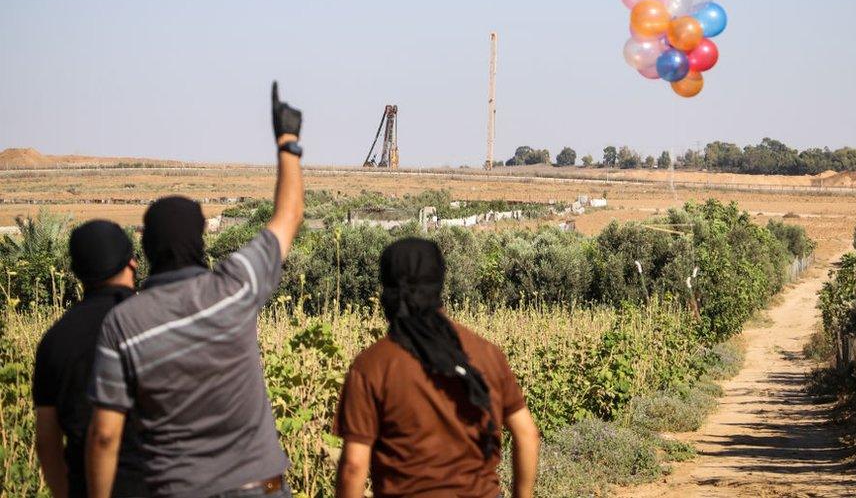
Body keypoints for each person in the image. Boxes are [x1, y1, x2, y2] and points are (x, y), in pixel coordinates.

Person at [85, 82, 305, 498]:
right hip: (259, 487)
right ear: (200, 242)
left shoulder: (124, 323)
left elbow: (105, 437)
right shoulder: (235, 286)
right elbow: (289, 216)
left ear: (146, 249)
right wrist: (287, 141)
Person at [333, 238, 540, 498]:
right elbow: (527, 435)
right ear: (439, 283)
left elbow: (353, 467)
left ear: (387, 289)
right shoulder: (486, 354)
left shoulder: (371, 365)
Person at [33, 220, 148, 498]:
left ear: (77, 273)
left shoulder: (55, 340)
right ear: (132, 263)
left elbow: (47, 439)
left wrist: (64, 492)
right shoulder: (154, 323)